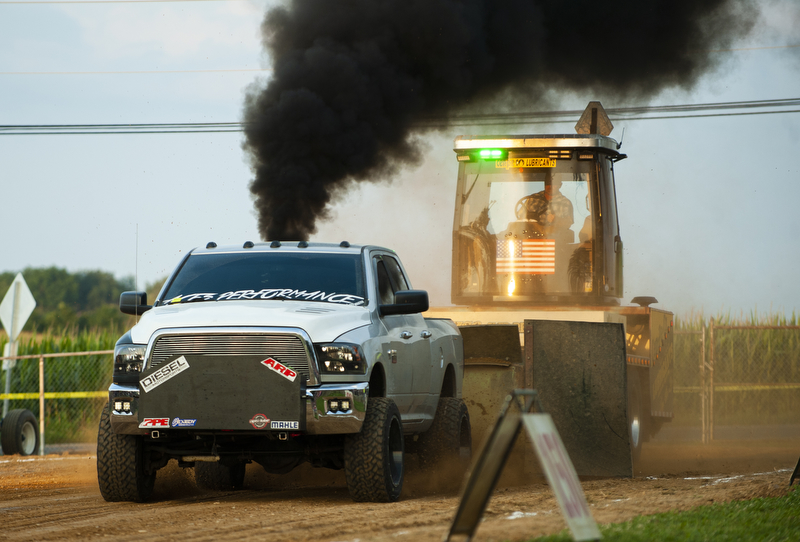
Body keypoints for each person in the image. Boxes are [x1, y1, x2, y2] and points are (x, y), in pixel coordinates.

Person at [517, 171, 574, 241]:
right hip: (529, 238)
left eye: (554, 184)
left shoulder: (565, 203)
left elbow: (568, 223)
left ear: (560, 185)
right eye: (547, 183)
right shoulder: (532, 199)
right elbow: (520, 218)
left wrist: (556, 219)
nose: (550, 186)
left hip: (554, 241)